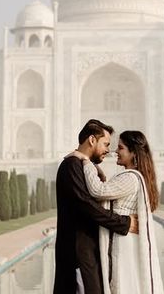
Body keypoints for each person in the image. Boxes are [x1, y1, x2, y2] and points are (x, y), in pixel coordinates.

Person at [72, 130, 164, 294]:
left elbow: (98, 191)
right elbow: (109, 194)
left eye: (120, 148)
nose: (115, 151)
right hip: (124, 239)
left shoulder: (131, 178)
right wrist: (99, 172)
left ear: (133, 153)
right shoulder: (133, 177)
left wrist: (85, 161)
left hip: (123, 243)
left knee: (123, 285)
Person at [53, 119, 138, 294]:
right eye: (106, 144)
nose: (108, 150)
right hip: (78, 254)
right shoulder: (71, 166)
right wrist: (124, 223)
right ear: (92, 140)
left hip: (87, 253)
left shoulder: (82, 166)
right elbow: (87, 206)